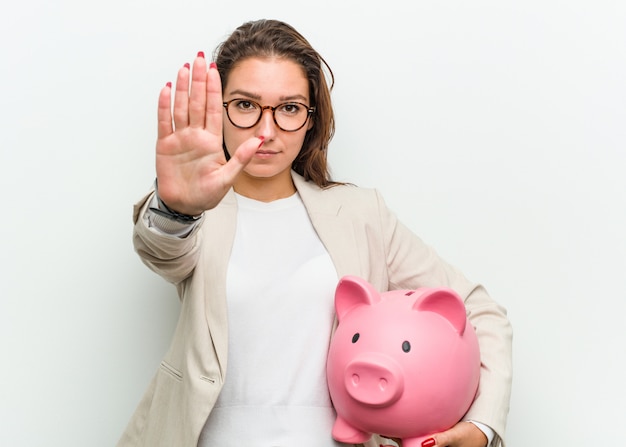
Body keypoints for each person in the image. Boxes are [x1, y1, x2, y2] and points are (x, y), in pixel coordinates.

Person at [118, 19, 512, 447]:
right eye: (246, 105)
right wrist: (177, 207)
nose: (265, 132)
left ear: (310, 120)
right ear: (220, 110)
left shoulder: (361, 214)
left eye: (288, 108)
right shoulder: (197, 212)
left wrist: (481, 427)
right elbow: (161, 250)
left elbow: (477, 309)